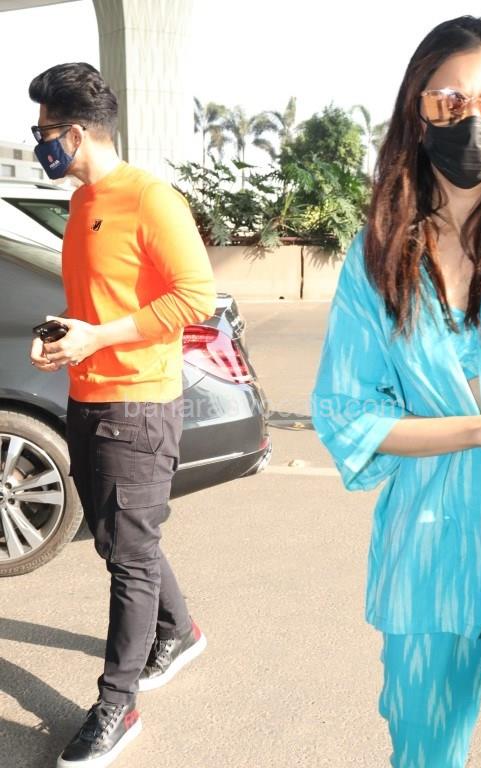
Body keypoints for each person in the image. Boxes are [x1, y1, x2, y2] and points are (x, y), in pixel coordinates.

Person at [311, 15, 481, 768]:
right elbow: (347, 411)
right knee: (424, 750)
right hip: (428, 553)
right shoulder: (378, 254)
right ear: (417, 111)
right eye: (450, 102)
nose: (475, 121)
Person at [28, 62, 216, 767]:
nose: (41, 144)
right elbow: (99, 303)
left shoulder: (149, 198)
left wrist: (99, 338)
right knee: (118, 540)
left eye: (46, 132)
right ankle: (181, 631)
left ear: (77, 134)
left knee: (129, 559)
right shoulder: (82, 203)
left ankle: (118, 702)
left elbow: (195, 297)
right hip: (87, 397)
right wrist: (63, 337)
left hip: (138, 403)